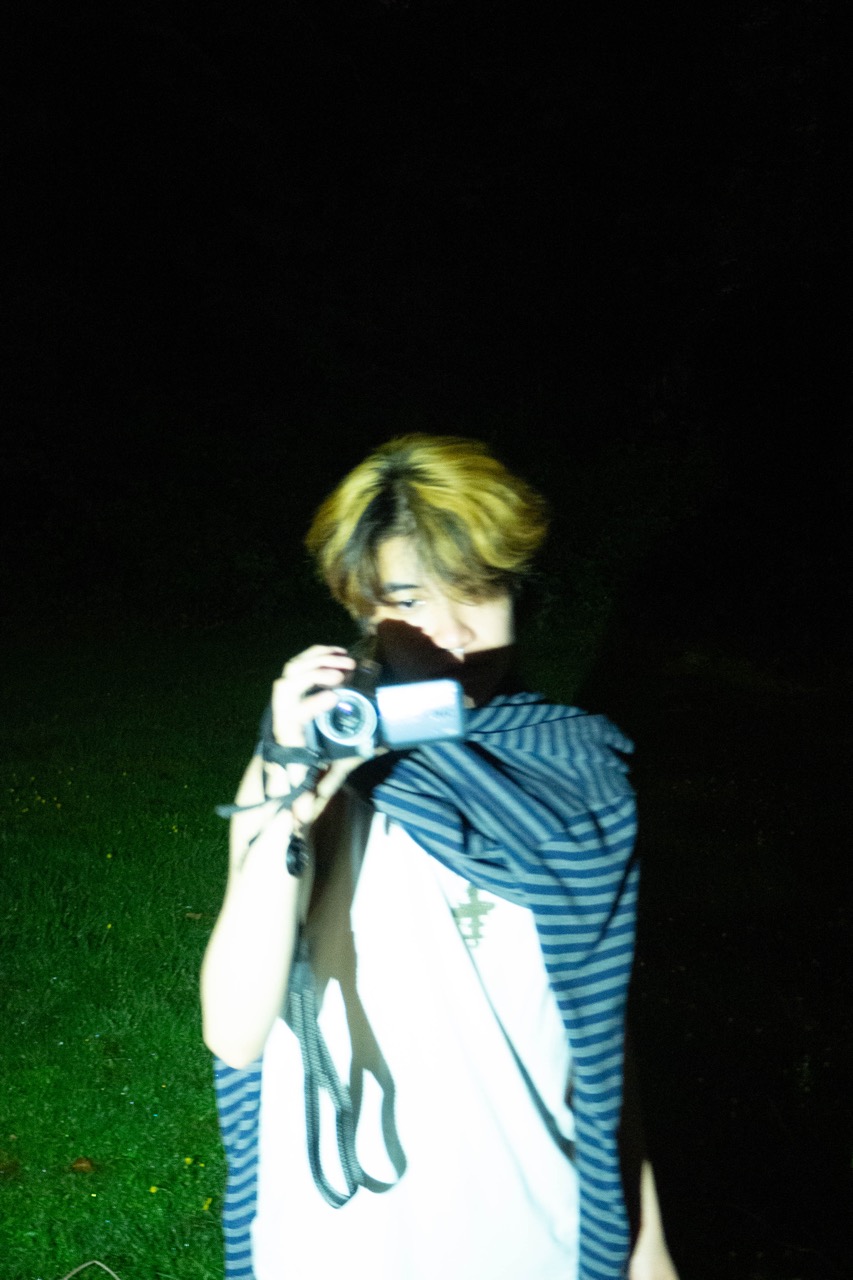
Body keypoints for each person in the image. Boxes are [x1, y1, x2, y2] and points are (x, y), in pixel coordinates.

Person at [201, 434, 679, 1280]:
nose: (452, 630)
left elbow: (593, 1032)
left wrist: (646, 1252)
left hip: (529, 1233)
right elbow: (235, 1033)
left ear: (516, 592)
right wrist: (291, 801)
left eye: (477, 589)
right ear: (361, 607)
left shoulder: (578, 774)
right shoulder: (313, 761)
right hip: (344, 1241)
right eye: (410, 597)